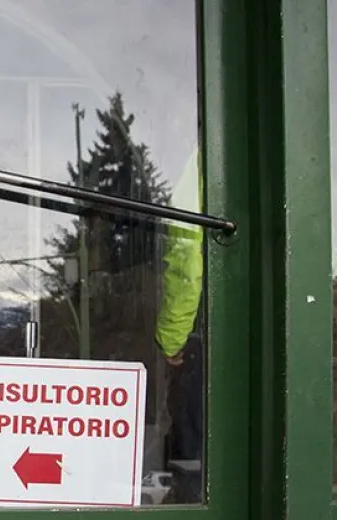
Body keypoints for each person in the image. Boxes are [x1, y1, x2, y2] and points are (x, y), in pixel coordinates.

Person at [154, 148, 204, 503]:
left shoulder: (201, 161)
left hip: (201, 324)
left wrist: (172, 337)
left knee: (192, 442)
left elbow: (186, 255)